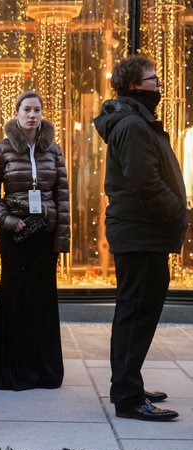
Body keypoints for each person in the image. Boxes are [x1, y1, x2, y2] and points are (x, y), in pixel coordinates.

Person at [94, 54, 186, 422]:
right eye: (153, 78)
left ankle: (127, 383)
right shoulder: (133, 124)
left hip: (142, 233)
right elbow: (144, 181)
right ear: (134, 85)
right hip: (140, 234)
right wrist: (179, 212)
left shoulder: (136, 120)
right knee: (136, 315)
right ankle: (129, 398)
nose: (159, 83)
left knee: (134, 314)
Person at [0, 91, 69, 391]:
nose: (32, 115)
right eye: (27, 109)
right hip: (15, 233)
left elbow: (63, 196)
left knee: (42, 299)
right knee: (15, 297)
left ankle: (43, 371)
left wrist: (60, 234)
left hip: (43, 233)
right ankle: (11, 369)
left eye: (37, 110)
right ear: (16, 113)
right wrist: (7, 220)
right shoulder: (2, 148)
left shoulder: (53, 150)